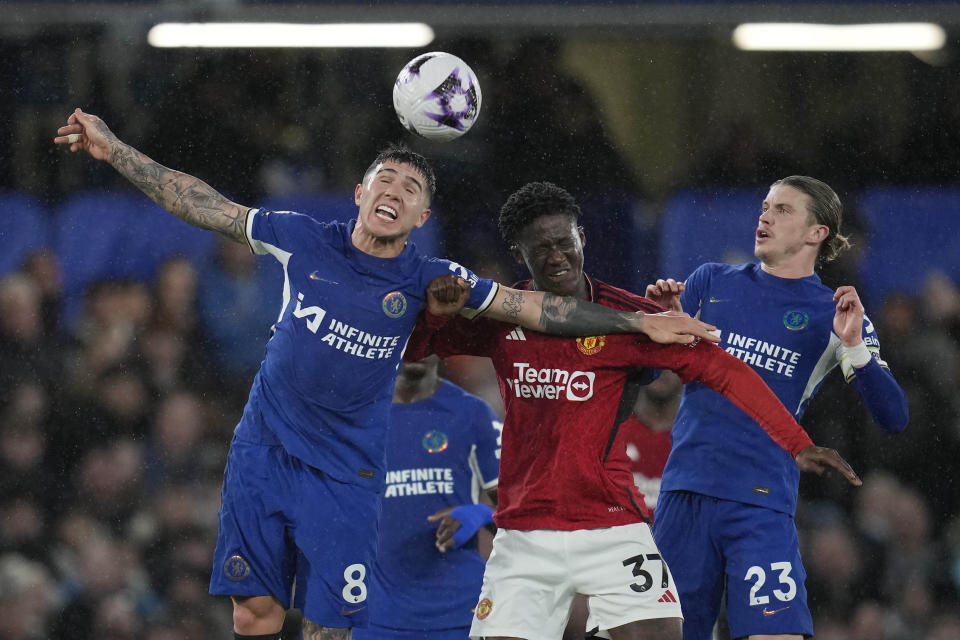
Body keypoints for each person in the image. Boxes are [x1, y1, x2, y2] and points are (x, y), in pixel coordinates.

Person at [53, 110, 719, 640]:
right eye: (386, 180)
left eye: (412, 189)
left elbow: (533, 307)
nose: (395, 192)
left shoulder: (430, 277)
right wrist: (116, 151)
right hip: (264, 450)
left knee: (328, 625)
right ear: (360, 193)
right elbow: (201, 202)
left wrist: (636, 324)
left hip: (348, 472)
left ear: (423, 218)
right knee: (253, 615)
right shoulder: (300, 236)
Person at [404, 181, 860, 640]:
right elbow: (416, 348)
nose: (556, 256)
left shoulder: (634, 318)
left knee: (662, 634)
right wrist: (438, 315)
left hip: (611, 524)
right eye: (540, 249)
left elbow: (724, 371)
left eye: (564, 241)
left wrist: (796, 441)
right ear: (520, 256)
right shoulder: (503, 320)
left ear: (582, 236)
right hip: (525, 530)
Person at [645, 175, 910, 640]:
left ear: (817, 233)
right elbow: (653, 383)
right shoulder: (711, 281)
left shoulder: (836, 314)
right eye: (765, 206)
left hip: (761, 503)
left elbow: (894, 417)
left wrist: (856, 349)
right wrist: (659, 333)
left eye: (783, 209)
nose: (764, 216)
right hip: (686, 494)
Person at [352, 357, 501, 640]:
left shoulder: (473, 413)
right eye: (412, 334)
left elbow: (525, 515)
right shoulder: (356, 418)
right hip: (374, 617)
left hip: (461, 615)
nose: (419, 346)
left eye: (428, 334)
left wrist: (479, 514)